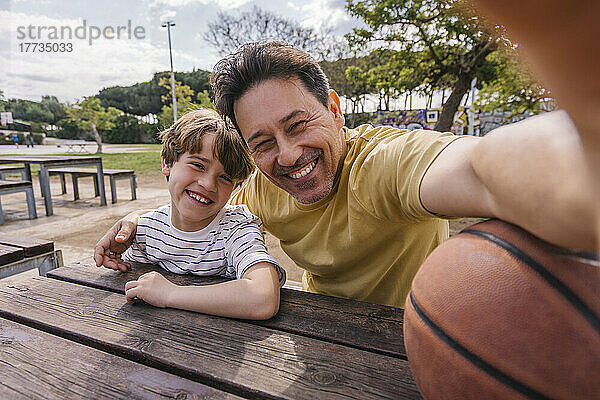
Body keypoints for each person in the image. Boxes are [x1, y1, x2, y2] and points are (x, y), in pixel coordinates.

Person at [96, 42, 595, 308]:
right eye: (263, 143)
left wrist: (577, 164)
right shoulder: (259, 189)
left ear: (335, 109)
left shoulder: (380, 166)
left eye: (298, 125)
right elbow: (202, 202)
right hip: (322, 335)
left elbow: (484, 168)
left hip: (420, 337)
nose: (288, 156)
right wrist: (137, 224)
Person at [116, 108, 286, 320]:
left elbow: (263, 298)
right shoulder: (145, 231)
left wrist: (170, 294)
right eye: (198, 165)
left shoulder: (236, 229)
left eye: (225, 178)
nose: (208, 184)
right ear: (167, 163)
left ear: (234, 189)